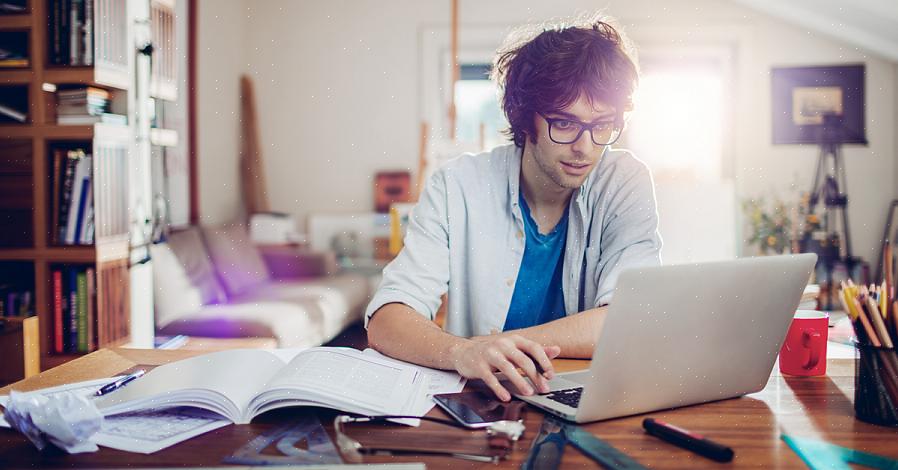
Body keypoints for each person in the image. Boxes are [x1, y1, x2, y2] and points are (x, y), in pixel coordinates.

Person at [365, 15, 662, 402]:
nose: (585, 147)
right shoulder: (457, 186)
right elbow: (387, 319)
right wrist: (463, 352)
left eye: (602, 125)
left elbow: (630, 319)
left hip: (588, 396)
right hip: (487, 400)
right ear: (524, 118)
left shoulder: (624, 181)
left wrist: (499, 344)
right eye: (564, 123)